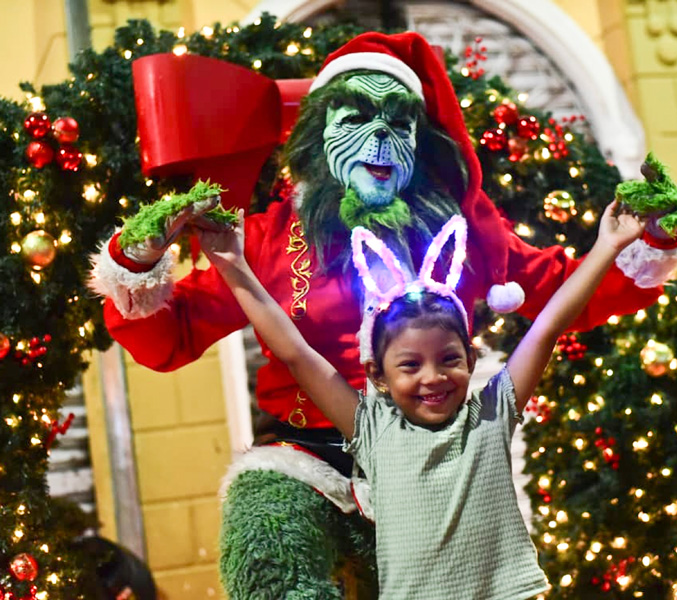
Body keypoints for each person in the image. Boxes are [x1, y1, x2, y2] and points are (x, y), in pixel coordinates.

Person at [90, 31, 677, 599]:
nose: (379, 137)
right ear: (317, 139)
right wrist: (139, 259)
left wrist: (639, 240)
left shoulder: (463, 229)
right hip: (306, 458)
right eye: (355, 120)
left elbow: (557, 301)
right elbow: (177, 336)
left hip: (440, 464)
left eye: (398, 122)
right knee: (265, 541)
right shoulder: (273, 237)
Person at [194, 197, 645, 599]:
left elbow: (548, 325)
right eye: (410, 365)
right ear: (378, 373)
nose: (433, 378)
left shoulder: (491, 413)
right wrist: (234, 265)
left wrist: (608, 245)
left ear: (471, 357)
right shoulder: (372, 427)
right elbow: (294, 351)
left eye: (449, 358)